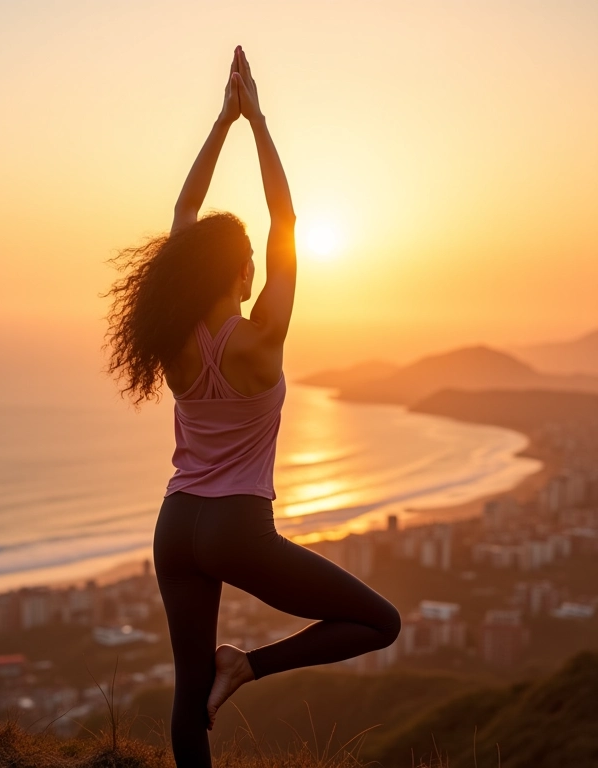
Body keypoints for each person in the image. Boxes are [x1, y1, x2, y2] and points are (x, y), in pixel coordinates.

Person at [104, 45, 401, 768]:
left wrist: (221, 121)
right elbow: (286, 218)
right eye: (251, 264)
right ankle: (251, 666)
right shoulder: (261, 338)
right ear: (241, 273)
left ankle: (222, 678)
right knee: (378, 621)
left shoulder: (174, 341)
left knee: (186, 693)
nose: (258, 267)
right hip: (237, 526)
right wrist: (256, 119)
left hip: (176, 524)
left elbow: (182, 211)